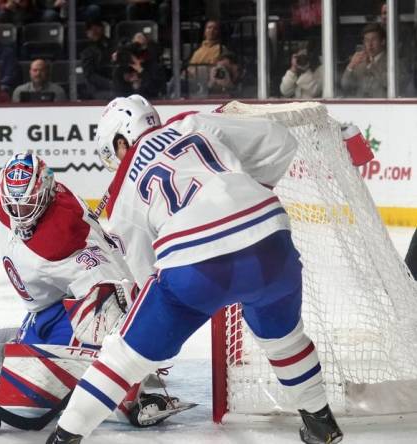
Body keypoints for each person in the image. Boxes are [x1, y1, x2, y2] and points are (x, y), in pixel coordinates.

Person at [46, 96, 343, 444]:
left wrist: (151, 335)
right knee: (284, 338)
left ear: (121, 141)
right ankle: (321, 423)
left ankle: (65, 437)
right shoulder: (191, 123)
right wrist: (244, 191)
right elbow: (281, 141)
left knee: (124, 355)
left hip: (196, 263)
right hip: (270, 235)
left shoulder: (123, 192)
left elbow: (144, 273)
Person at [0, 152, 190, 429]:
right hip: (46, 303)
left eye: (27, 206)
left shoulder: (65, 240)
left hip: (70, 301)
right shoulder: (16, 203)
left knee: (25, 408)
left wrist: (135, 353)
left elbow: (117, 295)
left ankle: (129, 385)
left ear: (46, 193)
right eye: (14, 206)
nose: (19, 215)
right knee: (16, 396)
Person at [341, 23, 387, 98]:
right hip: (360, 107)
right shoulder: (360, 62)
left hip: (382, 107)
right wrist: (351, 65)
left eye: (374, 39)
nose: (370, 44)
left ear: (382, 41)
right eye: (367, 40)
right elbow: (345, 85)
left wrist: (372, 65)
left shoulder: (392, 62)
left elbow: (387, 83)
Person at [80, 19, 113, 100]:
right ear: (87, 33)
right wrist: (110, 84)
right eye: (91, 29)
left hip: (116, 84)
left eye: (97, 28)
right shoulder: (87, 51)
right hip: (97, 89)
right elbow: (90, 75)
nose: (95, 31)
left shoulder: (112, 45)